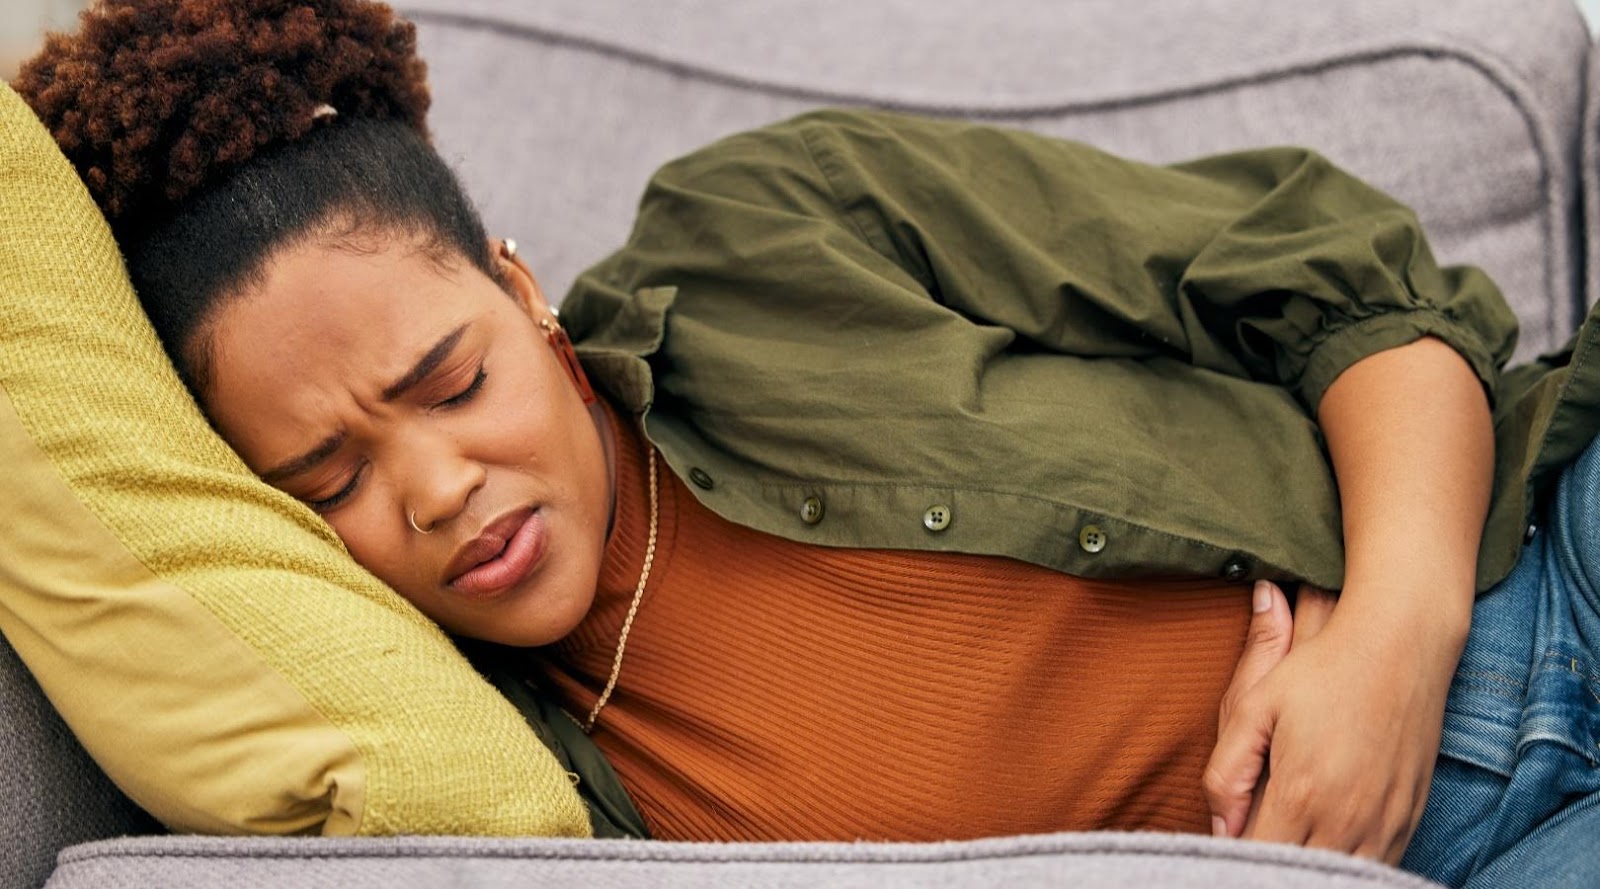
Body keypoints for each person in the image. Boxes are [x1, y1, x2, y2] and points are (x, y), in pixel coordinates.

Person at [13, 1, 1598, 885]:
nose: (435, 489)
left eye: (448, 381)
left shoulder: (764, 233)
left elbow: (1343, 281)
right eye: (330, 481)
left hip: (1539, 546)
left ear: (521, 292)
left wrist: (1393, 633)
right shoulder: (512, 792)